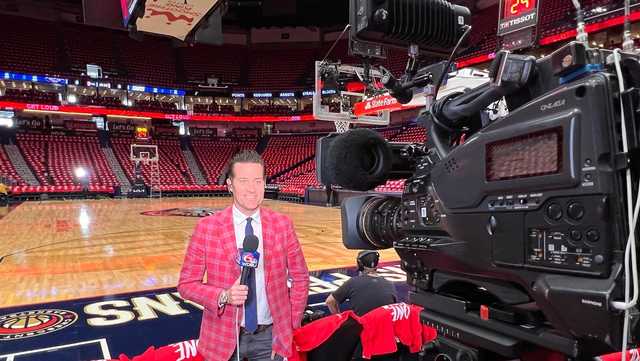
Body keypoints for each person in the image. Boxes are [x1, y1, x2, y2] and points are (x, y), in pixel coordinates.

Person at [178, 150, 310, 361]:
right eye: (244, 181)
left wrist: (289, 327)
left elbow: (301, 277)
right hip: (221, 338)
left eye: (258, 181)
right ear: (230, 184)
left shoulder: (282, 224)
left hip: (271, 337)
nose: (252, 189)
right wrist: (224, 296)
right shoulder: (207, 228)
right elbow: (186, 285)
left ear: (265, 183)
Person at [325, 251, 397, 316]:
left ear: (360, 264)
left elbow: (330, 301)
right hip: (384, 327)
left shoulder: (353, 282)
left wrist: (339, 317)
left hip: (364, 327)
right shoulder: (389, 283)